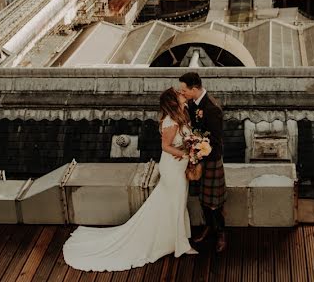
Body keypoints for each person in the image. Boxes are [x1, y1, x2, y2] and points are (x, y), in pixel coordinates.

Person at [62, 88, 197, 272]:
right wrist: (187, 154)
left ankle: (177, 238)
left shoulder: (182, 114)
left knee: (173, 203)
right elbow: (165, 146)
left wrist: (192, 148)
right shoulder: (171, 121)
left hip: (178, 167)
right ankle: (180, 244)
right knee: (176, 203)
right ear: (173, 101)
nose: (182, 93)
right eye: (179, 93)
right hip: (173, 168)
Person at [178, 71, 227, 252]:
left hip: (211, 159)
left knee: (214, 202)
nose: (182, 93)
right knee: (202, 198)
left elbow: (215, 140)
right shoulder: (192, 104)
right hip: (198, 157)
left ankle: (221, 233)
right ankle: (209, 226)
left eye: (184, 90)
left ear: (195, 88)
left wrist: (198, 149)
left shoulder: (212, 109)